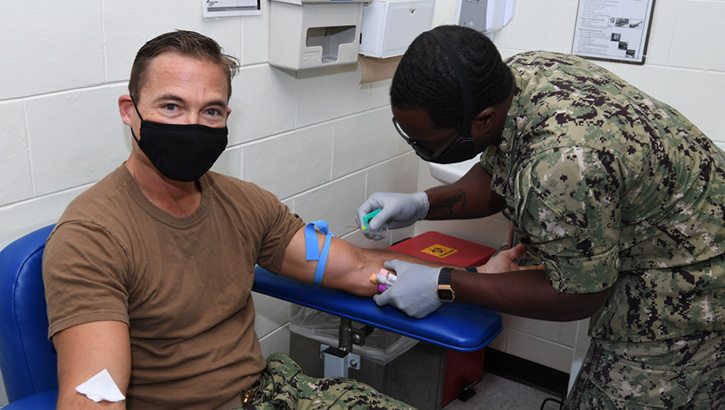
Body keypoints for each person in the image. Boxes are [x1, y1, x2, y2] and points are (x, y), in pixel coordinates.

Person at [41, 29, 530, 410]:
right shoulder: (92, 238)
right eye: (172, 106)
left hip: (270, 390)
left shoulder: (244, 204)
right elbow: (93, 395)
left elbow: (356, 269)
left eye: (211, 112)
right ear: (130, 111)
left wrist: (456, 281)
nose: (193, 125)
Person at [357, 25, 725, 409]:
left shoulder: (561, 163)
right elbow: (505, 171)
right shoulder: (518, 77)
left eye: (428, 143)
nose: (419, 149)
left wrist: (444, 284)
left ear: (482, 119)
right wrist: (421, 203)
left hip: (693, 281)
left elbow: (576, 297)